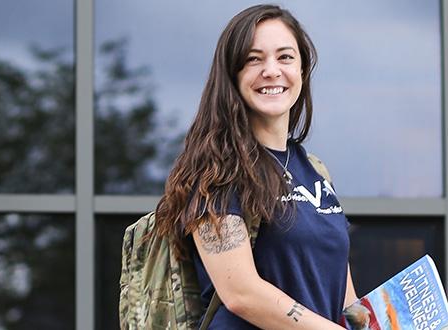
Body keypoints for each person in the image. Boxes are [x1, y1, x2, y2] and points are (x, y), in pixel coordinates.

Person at [152, 4, 356, 329]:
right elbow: (241, 293)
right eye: (253, 59)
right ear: (232, 75)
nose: (272, 70)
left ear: (302, 70)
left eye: (285, 57)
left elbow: (344, 300)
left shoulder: (316, 173)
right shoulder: (215, 171)